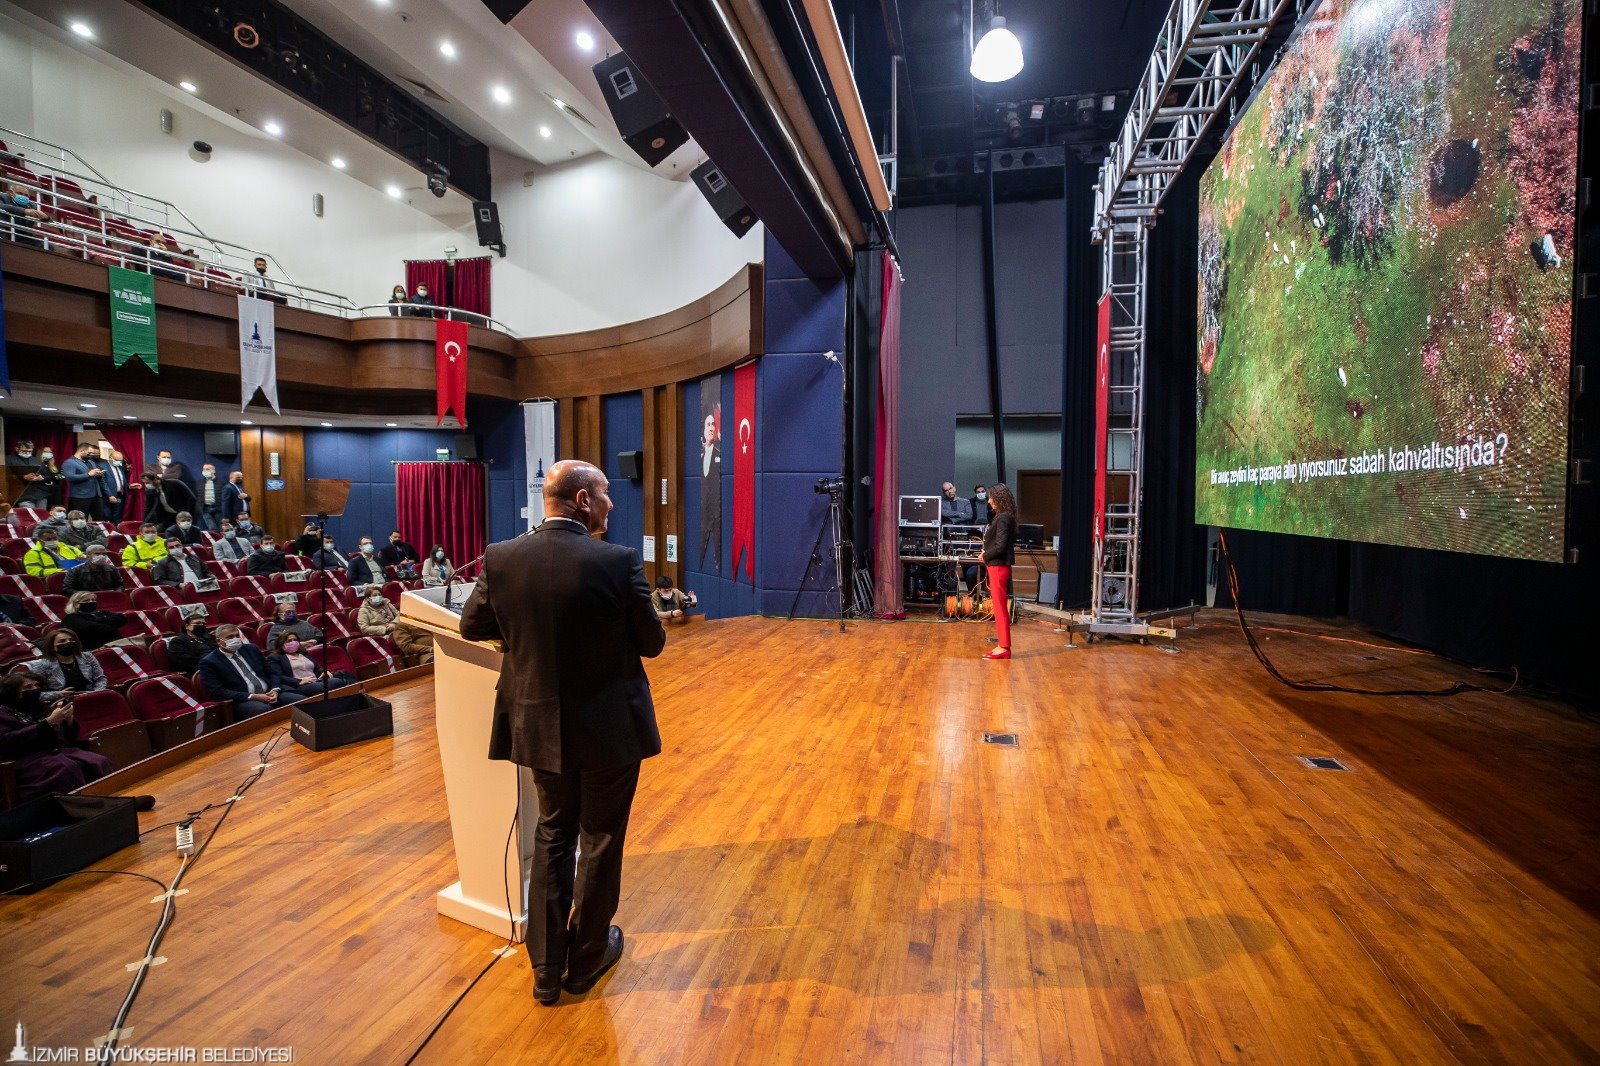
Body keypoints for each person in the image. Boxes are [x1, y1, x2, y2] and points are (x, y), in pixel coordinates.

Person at [459, 460, 665, 1006]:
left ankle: (547, 970)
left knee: (553, 833)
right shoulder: (618, 562)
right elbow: (652, 643)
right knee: (600, 838)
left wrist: (523, 641)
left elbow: (472, 625)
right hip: (610, 729)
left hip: (537, 724)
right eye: (604, 493)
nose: (611, 503)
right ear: (581, 500)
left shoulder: (502, 557)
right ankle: (587, 960)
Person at [0, 673, 113, 800]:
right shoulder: (3, 714)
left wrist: (67, 720)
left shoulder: (38, 706)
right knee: (67, 770)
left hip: (56, 751)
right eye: (28, 687)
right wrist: (48, 723)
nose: (35, 689)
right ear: (13, 693)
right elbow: (6, 741)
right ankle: (79, 807)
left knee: (99, 761)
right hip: (27, 759)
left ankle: (111, 802)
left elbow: (66, 737)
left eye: (36, 685)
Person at [198, 625, 304, 719]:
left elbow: (271, 672)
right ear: (218, 641)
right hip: (243, 700)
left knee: (301, 701)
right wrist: (253, 696)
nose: (235, 639)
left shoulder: (251, 649)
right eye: (230, 637)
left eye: (237, 636)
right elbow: (217, 692)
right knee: (265, 710)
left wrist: (275, 689)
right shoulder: (209, 662)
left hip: (270, 692)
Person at [980, 483, 1017, 661]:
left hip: (998, 566)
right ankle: (1002, 644)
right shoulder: (1004, 516)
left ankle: (1004, 647)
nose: (989, 501)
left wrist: (985, 555)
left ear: (999, 498)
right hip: (996, 565)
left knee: (1000, 606)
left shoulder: (1003, 518)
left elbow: (1000, 546)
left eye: (991, 497)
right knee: (999, 606)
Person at [26, 628, 109, 703]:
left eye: (71, 640)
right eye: (62, 641)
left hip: (91, 698)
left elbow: (100, 679)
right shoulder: (42, 665)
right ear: (52, 647)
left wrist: (97, 693)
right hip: (62, 703)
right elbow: (36, 694)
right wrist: (57, 694)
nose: (68, 642)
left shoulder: (87, 656)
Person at [266, 631, 355, 697]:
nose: (293, 642)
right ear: (281, 644)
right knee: (335, 682)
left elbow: (317, 668)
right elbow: (278, 676)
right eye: (289, 641)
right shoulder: (276, 657)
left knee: (345, 676)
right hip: (299, 685)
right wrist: (299, 681)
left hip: (316, 680)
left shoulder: (303, 654)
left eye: (295, 640)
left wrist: (324, 672)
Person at [357, 587, 432, 665]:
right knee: (402, 640)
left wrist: (394, 623)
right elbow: (364, 628)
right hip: (383, 634)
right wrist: (385, 628)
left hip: (396, 627)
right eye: (375, 595)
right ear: (368, 598)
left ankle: (426, 650)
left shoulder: (386, 603)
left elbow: (399, 614)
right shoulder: (363, 610)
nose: (378, 597)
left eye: (379, 594)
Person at [59, 591, 138, 652]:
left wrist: (100, 620)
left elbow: (122, 619)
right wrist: (108, 621)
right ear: (76, 604)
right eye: (86, 600)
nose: (91, 602)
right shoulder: (71, 618)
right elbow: (97, 628)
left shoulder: (101, 613)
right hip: (94, 650)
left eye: (93, 600)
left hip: (116, 646)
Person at [60, 442, 107, 521]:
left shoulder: (91, 461)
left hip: (96, 495)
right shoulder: (69, 462)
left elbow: (93, 474)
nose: (91, 455)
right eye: (89, 453)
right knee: (82, 520)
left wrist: (98, 474)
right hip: (81, 496)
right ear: (82, 451)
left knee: (100, 519)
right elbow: (69, 477)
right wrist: (88, 474)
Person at [6, 441, 52, 507]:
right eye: (25, 451)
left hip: (40, 494)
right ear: (17, 449)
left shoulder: (36, 460)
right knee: (28, 513)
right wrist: (23, 477)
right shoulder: (8, 460)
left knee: (41, 513)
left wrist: (41, 477)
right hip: (22, 495)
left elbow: (48, 475)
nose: (27, 453)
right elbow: (4, 476)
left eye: (30, 451)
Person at [100, 449, 131, 524]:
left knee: (117, 517)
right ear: (110, 458)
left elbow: (121, 480)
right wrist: (109, 495)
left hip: (120, 495)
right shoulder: (102, 466)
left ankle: (116, 530)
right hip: (107, 497)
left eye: (121, 460)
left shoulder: (120, 466)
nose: (119, 462)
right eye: (117, 460)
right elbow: (102, 482)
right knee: (106, 516)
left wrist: (129, 486)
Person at [196, 464, 223, 532]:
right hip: (205, 509)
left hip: (217, 509)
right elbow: (196, 496)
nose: (205, 471)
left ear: (213, 471)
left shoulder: (221, 482)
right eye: (204, 469)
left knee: (222, 527)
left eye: (207, 469)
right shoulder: (199, 483)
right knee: (212, 529)